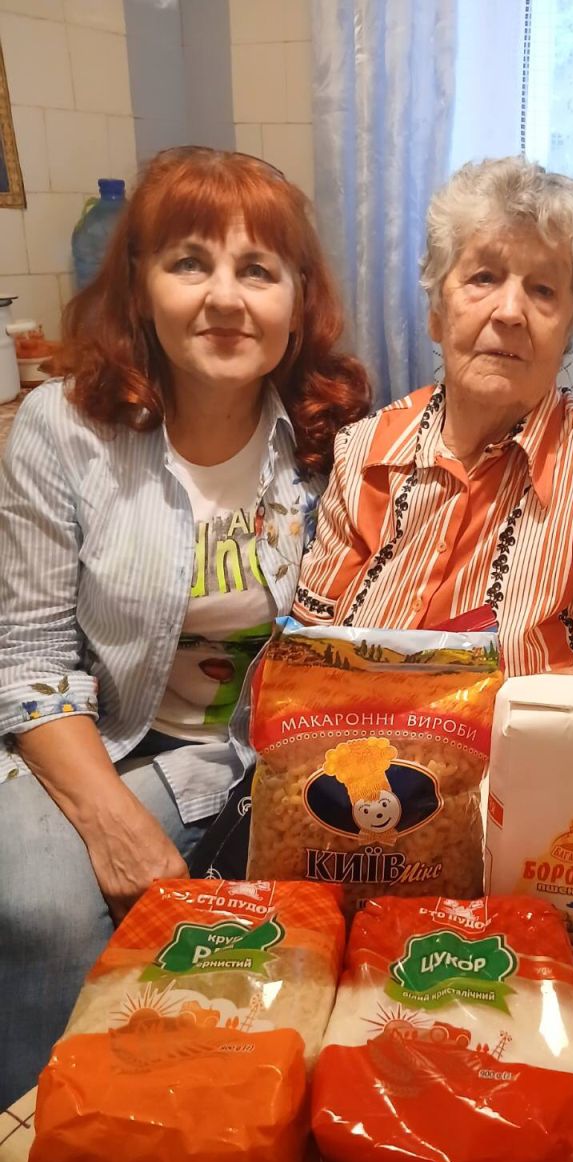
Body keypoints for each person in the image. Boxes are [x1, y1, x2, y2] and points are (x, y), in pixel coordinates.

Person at [0, 146, 370, 1106]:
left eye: (258, 270)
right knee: (36, 905)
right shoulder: (60, 429)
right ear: (139, 285)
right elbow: (28, 657)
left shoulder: (334, 437)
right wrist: (113, 822)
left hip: (269, 753)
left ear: (299, 301)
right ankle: (43, 1147)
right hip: (106, 735)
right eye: (190, 262)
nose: (225, 298)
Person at [293, 155, 573, 695]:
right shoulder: (364, 449)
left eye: (543, 290)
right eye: (484, 277)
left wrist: (496, 706)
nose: (510, 311)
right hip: (346, 737)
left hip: (510, 746)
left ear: (571, 325)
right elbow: (305, 644)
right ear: (437, 313)